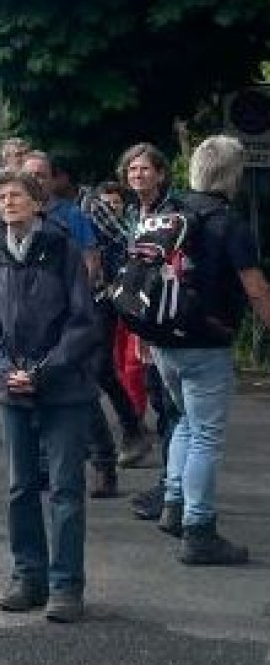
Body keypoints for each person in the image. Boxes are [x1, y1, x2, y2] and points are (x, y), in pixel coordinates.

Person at [0, 165, 99, 625]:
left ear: (37, 202)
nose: (8, 202)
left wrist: (42, 372)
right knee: (20, 487)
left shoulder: (63, 250)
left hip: (64, 387)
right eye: (1, 197)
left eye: (17, 195)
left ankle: (66, 584)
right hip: (12, 388)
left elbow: (83, 323)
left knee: (65, 488)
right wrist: (7, 370)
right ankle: (28, 576)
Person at [148, 135, 270, 565]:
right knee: (206, 436)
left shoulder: (169, 213)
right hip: (207, 342)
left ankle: (173, 504)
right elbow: (255, 289)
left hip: (163, 339)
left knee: (184, 421)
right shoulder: (228, 222)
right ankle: (198, 530)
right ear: (233, 174)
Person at [24, 150, 118, 497]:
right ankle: (46, 467)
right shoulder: (18, 216)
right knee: (37, 391)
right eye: (29, 174)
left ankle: (104, 463)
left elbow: (92, 261)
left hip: (71, 319)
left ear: (52, 180)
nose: (35, 180)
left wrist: (75, 304)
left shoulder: (72, 216)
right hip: (33, 323)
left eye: (41, 175)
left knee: (80, 393)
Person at [119, 141, 182, 522]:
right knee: (161, 402)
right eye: (131, 170)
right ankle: (170, 482)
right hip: (140, 317)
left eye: (144, 169)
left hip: (163, 318)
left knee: (172, 407)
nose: (137, 175)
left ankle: (172, 489)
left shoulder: (170, 214)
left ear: (160, 173)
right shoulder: (132, 213)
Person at [81, 176, 155, 471]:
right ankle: (101, 442)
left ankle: (129, 429)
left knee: (101, 368)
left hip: (104, 297)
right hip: (70, 299)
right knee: (83, 372)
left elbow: (128, 244)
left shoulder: (88, 209)